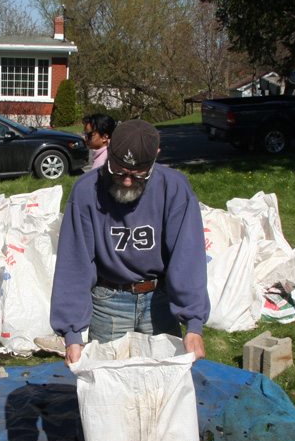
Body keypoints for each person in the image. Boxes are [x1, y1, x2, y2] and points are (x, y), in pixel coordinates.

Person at [50, 119, 210, 364]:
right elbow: (74, 263)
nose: (126, 180)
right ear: (109, 149)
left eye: (138, 175)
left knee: (162, 389)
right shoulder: (85, 191)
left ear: (155, 158)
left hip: (160, 300)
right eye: (119, 171)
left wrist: (194, 325)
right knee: (106, 386)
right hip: (108, 301)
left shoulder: (174, 187)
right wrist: (72, 334)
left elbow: (188, 257)